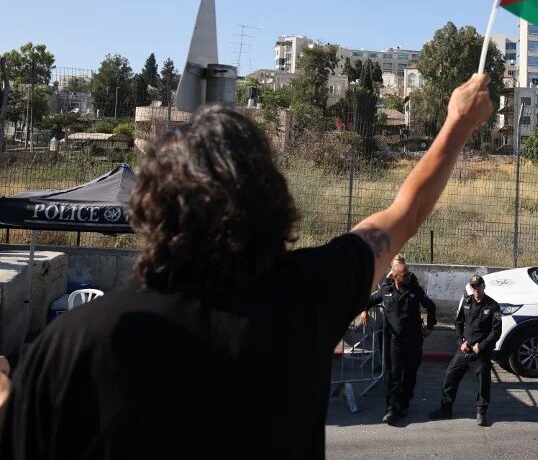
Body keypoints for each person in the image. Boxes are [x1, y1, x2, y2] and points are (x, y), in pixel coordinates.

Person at [0, 74, 494, 459]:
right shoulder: (305, 298)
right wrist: (456, 123)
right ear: (273, 201)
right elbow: (403, 214)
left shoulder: (75, 345)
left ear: (148, 207)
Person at [361, 260, 436, 424]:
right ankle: (391, 408)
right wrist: (364, 311)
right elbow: (368, 301)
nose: (408, 277)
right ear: (395, 276)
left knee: (410, 373)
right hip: (394, 341)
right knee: (393, 374)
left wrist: (430, 326)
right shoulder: (386, 291)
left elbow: (431, 307)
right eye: (405, 275)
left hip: (413, 340)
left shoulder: (415, 291)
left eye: (408, 274)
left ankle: (404, 403)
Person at [428, 274, 501, 426]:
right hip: (465, 349)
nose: (476, 290)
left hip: (480, 352)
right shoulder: (467, 302)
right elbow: (458, 322)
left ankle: (481, 411)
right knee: (450, 375)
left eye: (478, 286)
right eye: (473, 287)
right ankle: (446, 408)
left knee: (483, 382)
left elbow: (496, 332)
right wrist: (460, 341)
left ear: (483, 286)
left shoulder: (493, 306)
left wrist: (481, 346)